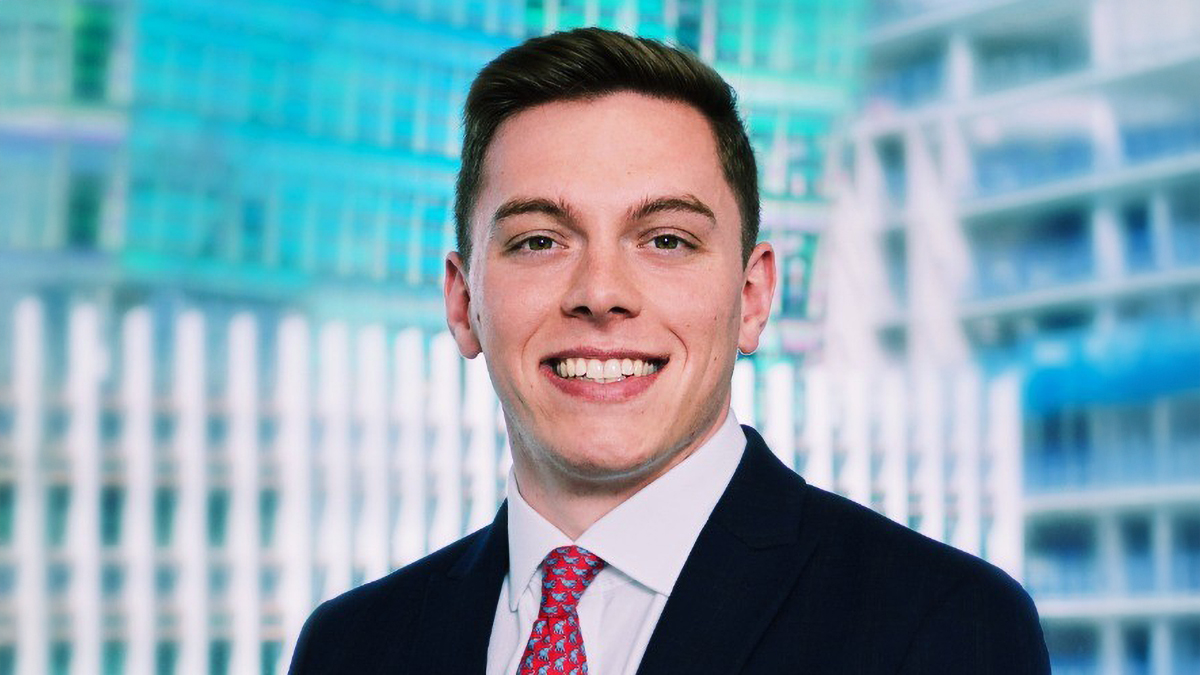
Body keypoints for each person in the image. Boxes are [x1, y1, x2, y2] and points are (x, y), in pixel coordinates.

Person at [288, 28, 1050, 675]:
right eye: (540, 240)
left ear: (753, 296)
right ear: (463, 303)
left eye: (666, 240)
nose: (600, 292)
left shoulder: (942, 623)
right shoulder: (351, 646)